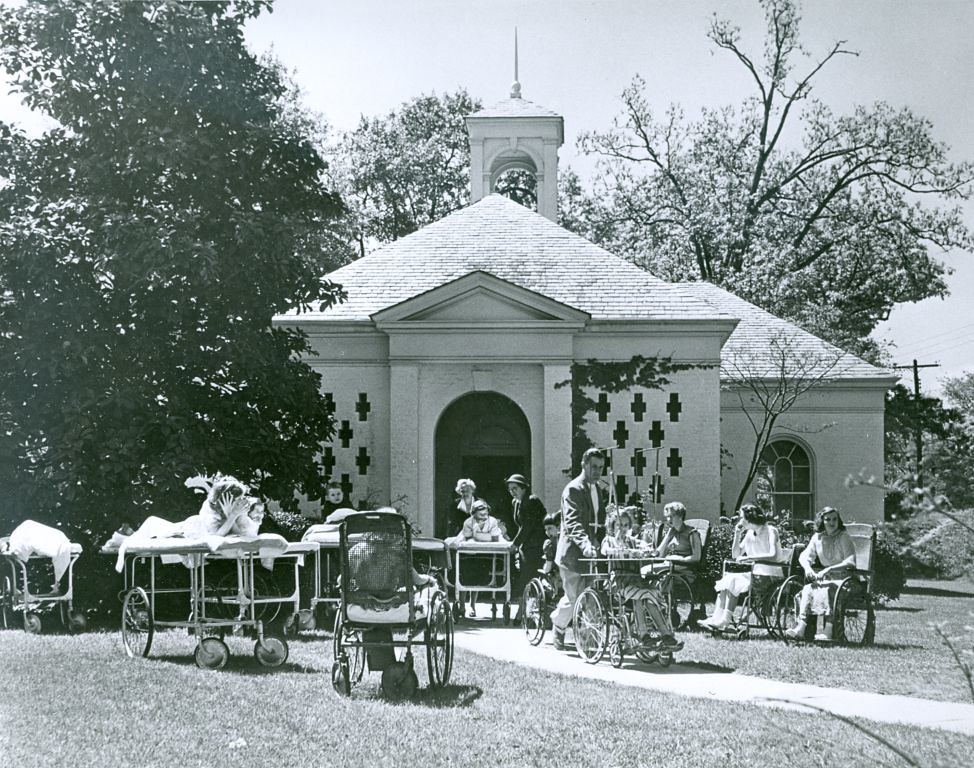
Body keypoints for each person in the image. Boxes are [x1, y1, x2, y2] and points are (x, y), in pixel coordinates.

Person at [601, 508, 682, 650]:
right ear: (612, 527)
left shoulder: (632, 541)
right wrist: (615, 550)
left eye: (626, 525)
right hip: (619, 581)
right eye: (619, 525)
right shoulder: (609, 540)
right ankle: (643, 635)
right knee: (639, 595)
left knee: (648, 596)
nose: (623, 529)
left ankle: (666, 634)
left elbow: (647, 548)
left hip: (636, 580)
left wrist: (648, 550)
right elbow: (604, 550)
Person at [551, 448, 605, 650]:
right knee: (574, 599)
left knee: (590, 597)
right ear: (583, 465)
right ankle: (558, 625)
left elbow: (599, 521)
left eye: (600, 468)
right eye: (593, 467)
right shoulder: (573, 489)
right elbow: (573, 524)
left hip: (592, 555)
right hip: (572, 554)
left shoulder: (597, 489)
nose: (597, 471)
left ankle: (588, 638)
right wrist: (586, 545)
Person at [699, 504, 784, 631]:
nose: (740, 521)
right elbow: (736, 554)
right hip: (755, 573)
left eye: (741, 518)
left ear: (750, 518)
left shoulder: (771, 530)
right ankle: (716, 618)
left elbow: (773, 554)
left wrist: (750, 558)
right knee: (728, 580)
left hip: (770, 575)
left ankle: (725, 620)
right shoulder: (750, 533)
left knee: (734, 580)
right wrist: (737, 535)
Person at [784, 506, 857, 641]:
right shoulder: (817, 537)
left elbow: (851, 562)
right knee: (807, 589)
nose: (831, 522)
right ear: (821, 521)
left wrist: (829, 569)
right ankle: (801, 627)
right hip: (826, 578)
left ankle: (827, 631)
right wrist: (808, 569)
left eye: (834, 519)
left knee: (827, 589)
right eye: (827, 519)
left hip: (844, 579)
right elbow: (804, 557)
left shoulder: (843, 537)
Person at [505, 473, 548, 603]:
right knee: (525, 577)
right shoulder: (516, 503)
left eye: (515, 489)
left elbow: (528, 525)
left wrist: (516, 543)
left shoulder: (531, 501)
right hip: (526, 545)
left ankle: (528, 609)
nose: (512, 492)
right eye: (510, 489)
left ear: (523, 488)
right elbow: (520, 525)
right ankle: (525, 609)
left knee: (530, 576)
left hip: (537, 545)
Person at [459, 498, 506, 617]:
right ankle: (461, 605)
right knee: (464, 577)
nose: (483, 517)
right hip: (469, 554)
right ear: (473, 514)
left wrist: (479, 536)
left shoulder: (493, 521)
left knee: (477, 578)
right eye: (480, 514)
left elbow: (495, 538)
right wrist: (482, 536)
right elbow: (468, 538)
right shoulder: (468, 522)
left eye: (485, 514)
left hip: (484, 554)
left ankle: (472, 605)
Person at [654, 501, 702, 576]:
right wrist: (667, 537)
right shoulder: (672, 533)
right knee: (642, 571)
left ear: (680, 516)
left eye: (671, 516)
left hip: (683, 569)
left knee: (647, 571)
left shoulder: (692, 533)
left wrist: (678, 559)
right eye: (667, 517)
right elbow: (659, 555)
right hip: (669, 566)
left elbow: (696, 557)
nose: (669, 520)